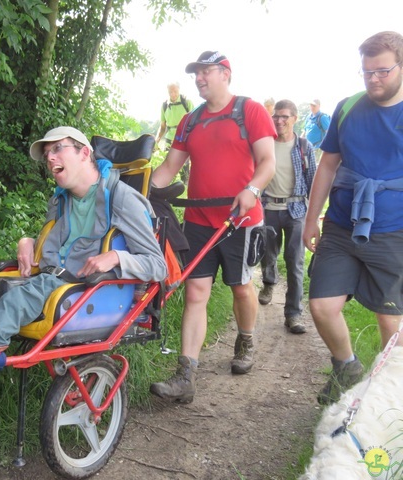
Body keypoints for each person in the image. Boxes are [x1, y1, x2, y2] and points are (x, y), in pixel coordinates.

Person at [0, 126, 168, 430]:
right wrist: (28, 241)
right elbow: (51, 246)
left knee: (15, 299)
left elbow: (158, 265)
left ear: (84, 153)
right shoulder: (61, 199)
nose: (50, 158)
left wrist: (117, 257)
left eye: (58, 149)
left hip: (85, 291)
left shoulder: (121, 198)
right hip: (48, 279)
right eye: (47, 154)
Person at [149, 51, 276, 404]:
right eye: (196, 74)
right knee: (195, 293)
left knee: (240, 287)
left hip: (240, 220)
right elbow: (168, 168)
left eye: (206, 72)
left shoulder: (249, 111)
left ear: (225, 74)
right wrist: (142, 192)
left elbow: (267, 162)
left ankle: (246, 338)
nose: (199, 79)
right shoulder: (189, 121)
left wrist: (252, 190)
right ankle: (185, 375)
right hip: (198, 221)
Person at [303, 30, 403, 405]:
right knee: (322, 305)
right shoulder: (347, 108)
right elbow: (327, 166)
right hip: (342, 224)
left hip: (394, 230)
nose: (374, 79)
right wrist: (312, 219)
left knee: (390, 320)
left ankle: (388, 398)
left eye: (382, 72)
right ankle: (347, 368)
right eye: (367, 72)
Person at [258, 99, 317, 334]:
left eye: (285, 116)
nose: (279, 121)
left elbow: (313, 180)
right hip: (268, 208)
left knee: (295, 262)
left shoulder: (304, 146)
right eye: (276, 116)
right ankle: (269, 282)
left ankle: (293, 314)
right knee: (267, 253)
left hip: (296, 211)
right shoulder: (265, 144)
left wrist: (314, 216)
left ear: (294, 118)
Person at [155, 82, 194, 182]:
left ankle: (184, 187)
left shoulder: (187, 102)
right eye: (170, 92)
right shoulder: (165, 105)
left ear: (179, 89)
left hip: (184, 138)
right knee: (167, 164)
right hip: (169, 138)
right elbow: (163, 126)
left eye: (175, 91)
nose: (173, 94)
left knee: (184, 168)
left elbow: (194, 122)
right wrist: (157, 140)